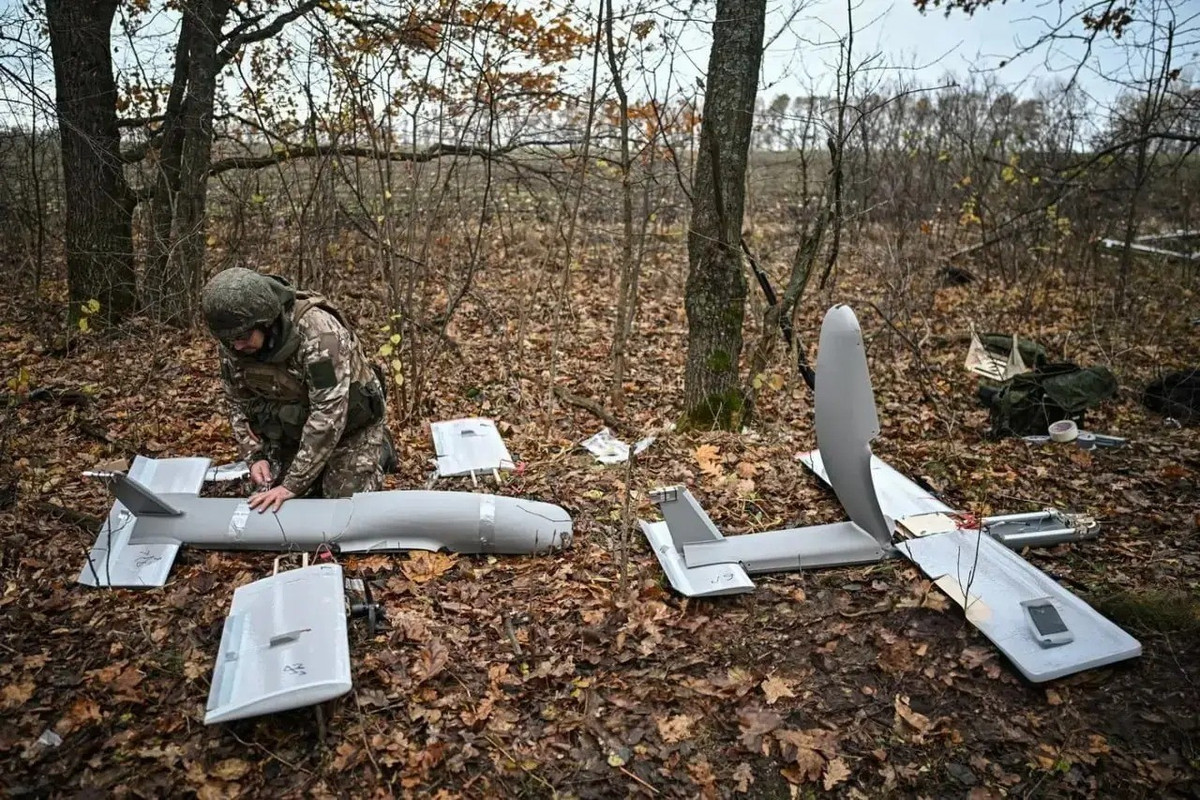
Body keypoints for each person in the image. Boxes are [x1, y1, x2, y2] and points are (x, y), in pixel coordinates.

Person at [201, 267, 389, 513]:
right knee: (265, 501)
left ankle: (380, 449)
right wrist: (255, 457)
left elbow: (329, 414)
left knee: (342, 504)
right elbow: (237, 403)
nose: (237, 345)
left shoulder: (321, 335)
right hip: (294, 429)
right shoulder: (233, 344)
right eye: (229, 340)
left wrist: (293, 484)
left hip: (350, 427)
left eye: (244, 336)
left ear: (265, 323)